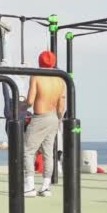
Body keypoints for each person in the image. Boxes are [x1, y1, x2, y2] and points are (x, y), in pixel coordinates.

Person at [23, 51, 65, 197]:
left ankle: (29, 187)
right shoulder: (60, 80)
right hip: (54, 118)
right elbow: (61, 107)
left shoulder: (36, 76)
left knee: (28, 151)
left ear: (39, 61)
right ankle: (46, 187)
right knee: (48, 153)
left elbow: (29, 101)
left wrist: (20, 106)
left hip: (40, 117)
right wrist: (58, 120)